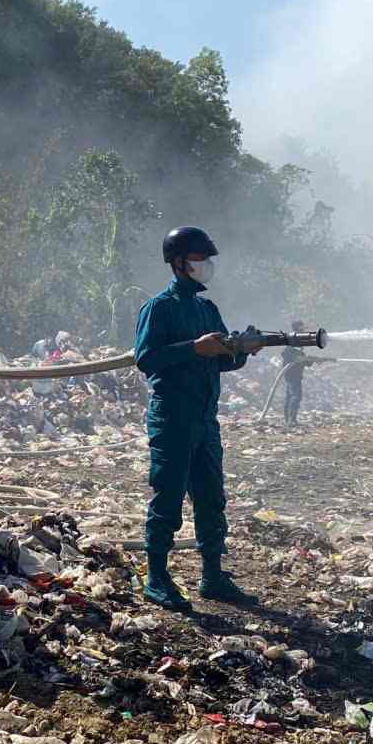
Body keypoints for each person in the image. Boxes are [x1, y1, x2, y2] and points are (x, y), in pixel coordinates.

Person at [133, 226, 259, 611]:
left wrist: (243, 351)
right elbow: (147, 358)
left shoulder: (207, 309)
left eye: (208, 260)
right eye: (200, 259)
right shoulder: (159, 307)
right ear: (179, 263)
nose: (207, 266)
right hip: (172, 418)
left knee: (211, 498)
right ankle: (156, 577)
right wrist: (193, 347)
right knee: (168, 499)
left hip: (205, 420)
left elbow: (221, 360)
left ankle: (213, 577)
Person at [280, 319, 307, 427]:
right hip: (292, 373)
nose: (304, 328)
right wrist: (301, 359)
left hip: (294, 373)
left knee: (290, 396)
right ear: (297, 327)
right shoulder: (294, 338)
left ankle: (288, 420)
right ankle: (291, 420)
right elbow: (285, 353)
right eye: (302, 327)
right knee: (296, 396)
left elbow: (301, 358)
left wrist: (308, 360)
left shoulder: (298, 340)